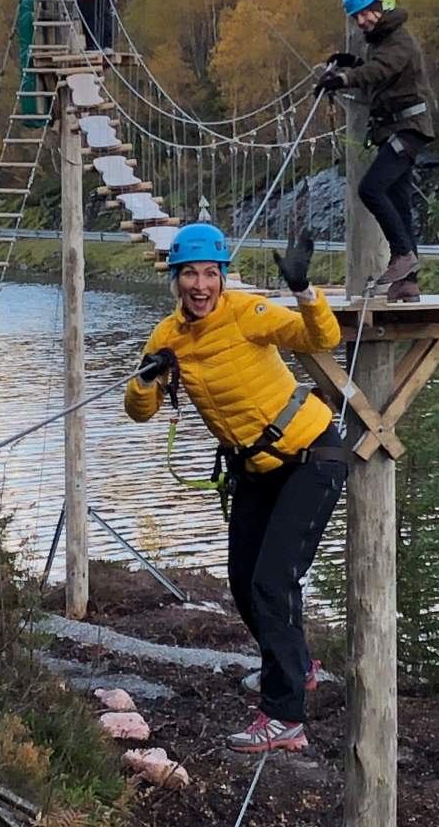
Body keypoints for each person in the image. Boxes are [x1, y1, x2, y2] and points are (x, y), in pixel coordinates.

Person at [124, 223, 345, 754]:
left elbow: (322, 339)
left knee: (273, 582)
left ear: (222, 277)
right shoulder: (166, 337)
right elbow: (139, 413)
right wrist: (147, 378)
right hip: (254, 470)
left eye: (209, 274)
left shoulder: (248, 312)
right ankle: (299, 666)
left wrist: (303, 291)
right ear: (175, 279)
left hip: (311, 455)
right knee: (244, 583)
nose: (200, 286)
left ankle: (284, 716)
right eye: (189, 275)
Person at [314, 0, 436, 302]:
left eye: (366, 13)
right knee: (399, 202)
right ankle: (408, 283)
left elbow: (379, 71)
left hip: (409, 130)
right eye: (357, 17)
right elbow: (373, 74)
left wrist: (342, 79)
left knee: (371, 188)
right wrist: (350, 63)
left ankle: (402, 256)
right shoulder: (379, 42)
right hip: (395, 131)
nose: (362, 21)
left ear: (378, 7)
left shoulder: (398, 40)